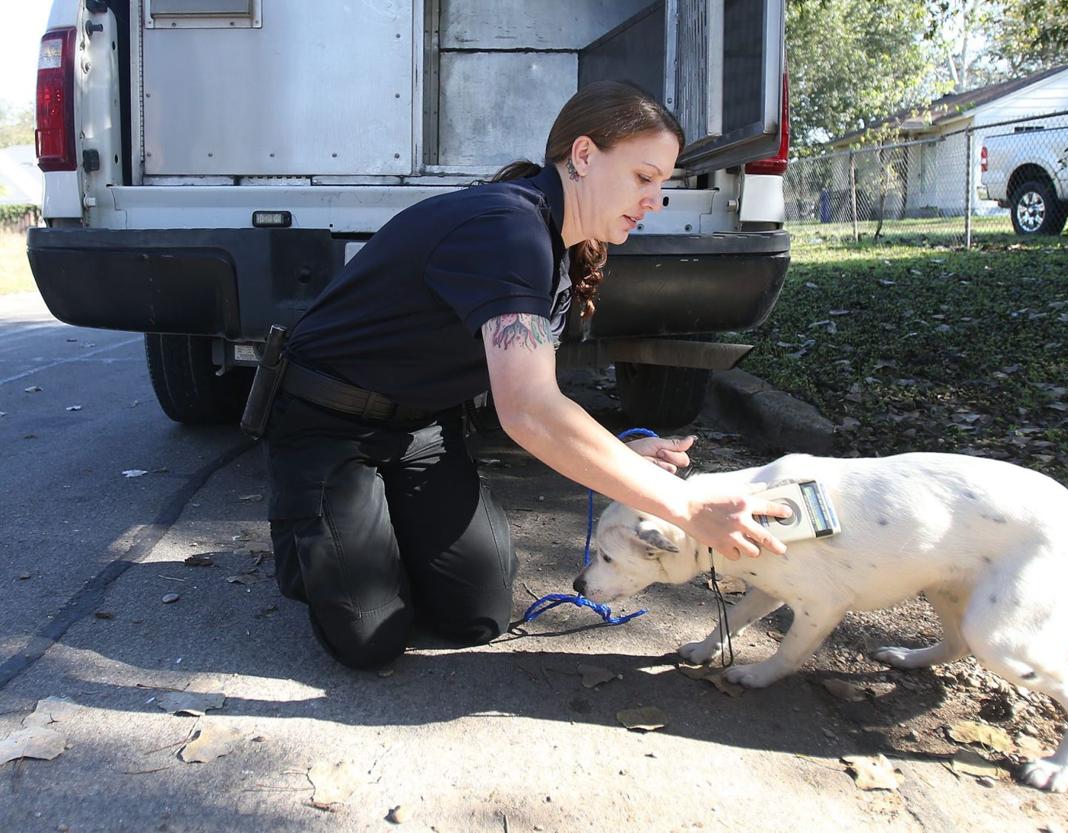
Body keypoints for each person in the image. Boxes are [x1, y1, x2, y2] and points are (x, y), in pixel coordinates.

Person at [263, 80, 789, 669]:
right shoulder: (507, 229)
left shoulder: (560, 244)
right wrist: (687, 509)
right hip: (328, 424)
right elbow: (530, 410)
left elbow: (534, 389)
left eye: (662, 183)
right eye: (644, 177)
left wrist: (621, 448)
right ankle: (304, 535)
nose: (654, 199)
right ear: (584, 156)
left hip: (422, 430)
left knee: (476, 615)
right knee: (369, 638)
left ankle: (370, 537)